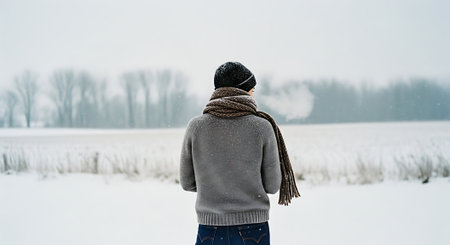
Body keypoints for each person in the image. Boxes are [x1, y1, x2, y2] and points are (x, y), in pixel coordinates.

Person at [180, 61, 300, 245]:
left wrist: (215, 187)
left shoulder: (196, 127)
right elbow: (273, 185)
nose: (254, 95)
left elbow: (187, 183)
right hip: (254, 229)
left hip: (210, 229)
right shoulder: (262, 127)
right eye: (252, 90)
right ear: (244, 91)